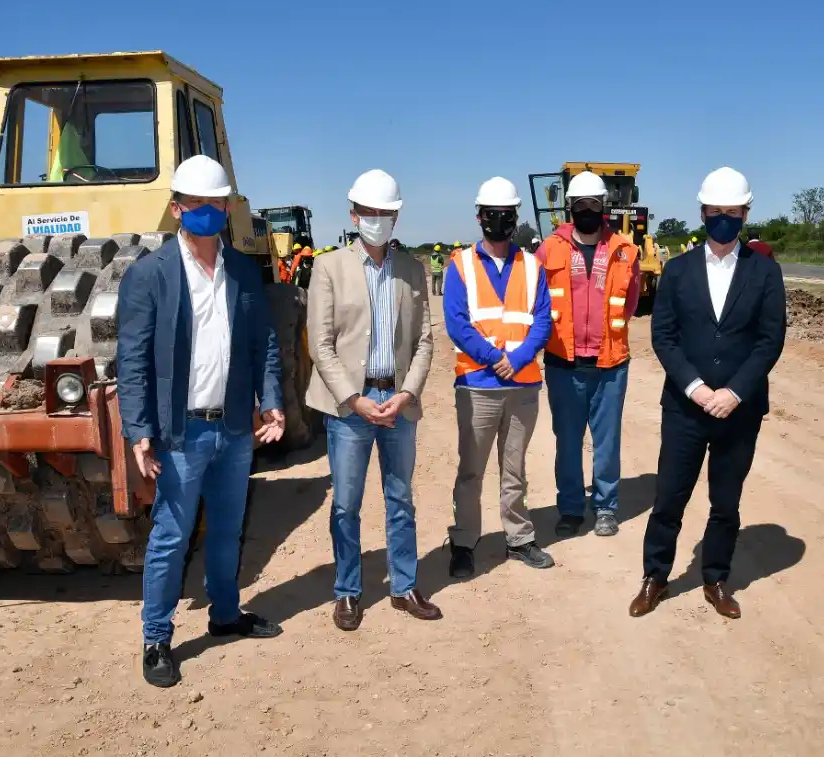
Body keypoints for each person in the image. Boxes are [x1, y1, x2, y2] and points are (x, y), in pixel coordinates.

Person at [116, 154, 286, 689]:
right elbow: (132, 360)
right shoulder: (150, 274)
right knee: (171, 536)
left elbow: (265, 343)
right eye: (196, 203)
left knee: (228, 530)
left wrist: (272, 399)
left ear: (228, 208)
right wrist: (139, 431)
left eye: (216, 202)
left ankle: (225, 615)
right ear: (176, 208)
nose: (207, 210)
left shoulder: (243, 271)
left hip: (233, 427)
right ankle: (156, 638)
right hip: (180, 432)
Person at [630, 166, 786, 620]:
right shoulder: (678, 270)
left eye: (732, 212)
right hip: (686, 408)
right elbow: (664, 336)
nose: (724, 218)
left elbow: (769, 340)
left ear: (745, 214)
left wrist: (735, 392)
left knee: (726, 501)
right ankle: (655, 576)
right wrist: (696, 389)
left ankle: (715, 578)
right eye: (716, 211)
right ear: (702, 213)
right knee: (669, 498)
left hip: (739, 410)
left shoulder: (765, 271)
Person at [305, 169, 439, 631]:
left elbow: (423, 342)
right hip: (350, 408)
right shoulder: (329, 268)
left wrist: (406, 393)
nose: (377, 219)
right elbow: (320, 345)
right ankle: (347, 590)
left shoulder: (412, 270)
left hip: (397, 402)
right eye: (369, 211)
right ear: (354, 215)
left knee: (400, 499)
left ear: (396, 217)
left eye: (385, 212)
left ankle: (404, 586)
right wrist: (353, 398)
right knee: (346, 503)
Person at [443, 177, 555, 577]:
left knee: (515, 469)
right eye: (492, 214)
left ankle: (519, 538)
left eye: (506, 214)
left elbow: (543, 320)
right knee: (471, 470)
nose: (499, 220)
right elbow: (457, 323)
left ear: (515, 216)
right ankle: (464, 542)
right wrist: (495, 359)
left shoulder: (532, 265)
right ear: (479, 217)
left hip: (522, 386)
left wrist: (519, 358)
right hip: (478, 386)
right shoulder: (460, 265)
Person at [535, 171, 641, 538]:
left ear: (604, 207)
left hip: (610, 363)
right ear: (570, 207)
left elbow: (630, 303)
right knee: (567, 441)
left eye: (593, 204)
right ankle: (570, 508)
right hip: (563, 362)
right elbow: (537, 300)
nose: (587, 211)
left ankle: (606, 507)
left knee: (607, 442)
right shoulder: (549, 249)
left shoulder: (625, 250)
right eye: (580, 205)